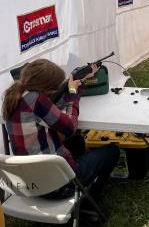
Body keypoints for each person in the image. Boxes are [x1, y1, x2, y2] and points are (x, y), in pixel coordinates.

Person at [2, 59, 120, 200]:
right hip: (55, 185)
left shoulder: (15, 96)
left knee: (77, 140)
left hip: (29, 182)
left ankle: (82, 183)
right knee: (112, 150)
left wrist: (78, 84)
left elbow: (51, 105)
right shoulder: (37, 99)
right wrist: (72, 93)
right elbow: (70, 127)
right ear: (45, 88)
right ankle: (91, 198)